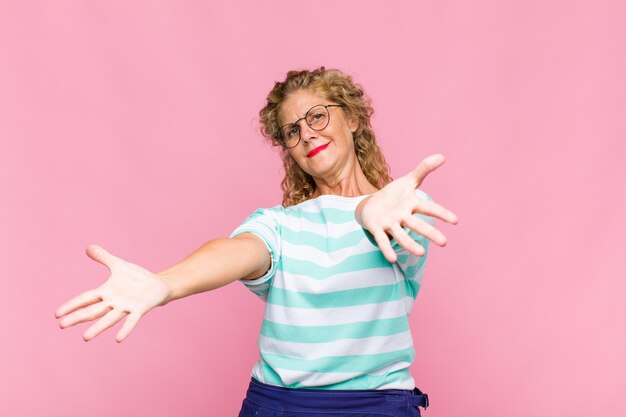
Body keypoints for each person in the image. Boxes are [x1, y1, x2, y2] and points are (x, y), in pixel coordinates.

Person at [55, 67, 458, 417]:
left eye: (317, 116)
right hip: (277, 406)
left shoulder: (403, 207)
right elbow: (238, 251)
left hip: (377, 406)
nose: (306, 135)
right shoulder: (279, 224)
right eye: (292, 131)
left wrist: (366, 213)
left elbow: (389, 227)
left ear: (351, 118)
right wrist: (165, 284)